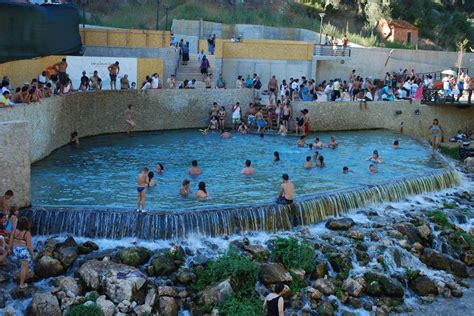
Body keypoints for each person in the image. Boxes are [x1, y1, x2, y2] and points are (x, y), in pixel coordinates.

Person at [8, 217, 35, 289]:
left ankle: (22, 275)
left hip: (16, 250)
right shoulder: (27, 233)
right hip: (23, 252)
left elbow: (10, 241)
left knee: (24, 265)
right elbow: (29, 246)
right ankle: (21, 284)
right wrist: (32, 254)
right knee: (24, 267)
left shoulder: (14, 231)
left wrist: (10, 250)